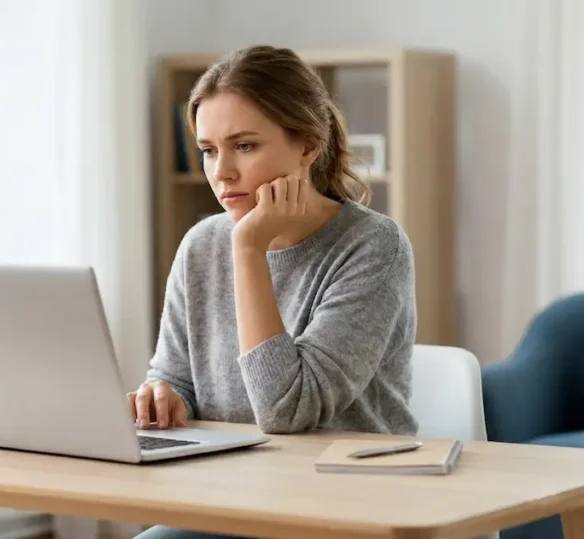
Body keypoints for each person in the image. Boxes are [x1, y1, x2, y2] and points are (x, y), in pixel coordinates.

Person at [130, 44, 419, 539]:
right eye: (208, 150)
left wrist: (248, 250)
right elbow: (175, 376)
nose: (221, 172)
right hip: (231, 498)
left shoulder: (374, 246)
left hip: (347, 507)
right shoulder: (201, 245)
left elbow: (287, 412)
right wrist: (162, 398)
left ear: (308, 146)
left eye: (244, 146)